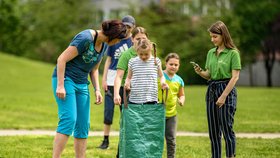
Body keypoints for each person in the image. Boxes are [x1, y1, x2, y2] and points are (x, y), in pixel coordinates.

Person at [51, 20, 127, 158]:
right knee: (69, 119)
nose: (117, 43)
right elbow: (61, 59)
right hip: (66, 79)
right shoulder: (85, 38)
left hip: (81, 83)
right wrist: (60, 85)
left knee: (83, 125)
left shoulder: (103, 45)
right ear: (113, 35)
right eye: (117, 40)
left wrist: (97, 89)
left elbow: (94, 69)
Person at [192, 21, 241, 158]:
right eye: (211, 36)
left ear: (223, 35)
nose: (212, 39)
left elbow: (235, 77)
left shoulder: (233, 53)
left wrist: (224, 96)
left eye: (215, 36)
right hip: (212, 90)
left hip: (227, 90)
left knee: (227, 129)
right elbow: (209, 74)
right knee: (213, 131)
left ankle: (230, 155)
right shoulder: (210, 53)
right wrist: (200, 72)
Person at [98, 15, 136, 150]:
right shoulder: (116, 39)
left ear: (133, 28)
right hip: (111, 78)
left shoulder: (134, 42)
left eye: (129, 27)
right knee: (108, 111)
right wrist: (104, 78)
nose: (126, 29)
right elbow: (108, 60)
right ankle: (105, 140)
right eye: (124, 26)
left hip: (126, 80)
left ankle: (125, 140)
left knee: (125, 112)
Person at [113, 26, 149, 158]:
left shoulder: (150, 53)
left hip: (145, 94)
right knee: (128, 128)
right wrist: (116, 94)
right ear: (132, 39)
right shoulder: (127, 55)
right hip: (128, 94)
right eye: (138, 38)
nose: (140, 41)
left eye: (143, 38)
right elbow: (118, 77)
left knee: (143, 128)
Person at [124, 39, 168, 103]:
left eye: (146, 54)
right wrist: (127, 83)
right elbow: (129, 77)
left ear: (151, 50)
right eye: (141, 54)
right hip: (135, 98)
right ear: (137, 51)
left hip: (151, 98)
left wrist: (163, 82)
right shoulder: (132, 61)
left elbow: (161, 76)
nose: (144, 57)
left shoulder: (156, 61)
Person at [159, 53, 185, 158]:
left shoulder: (179, 80)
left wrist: (182, 100)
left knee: (171, 139)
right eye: (171, 64)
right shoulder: (159, 76)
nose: (173, 67)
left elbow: (182, 94)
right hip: (157, 113)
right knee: (156, 138)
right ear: (166, 64)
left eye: (176, 65)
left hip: (171, 114)